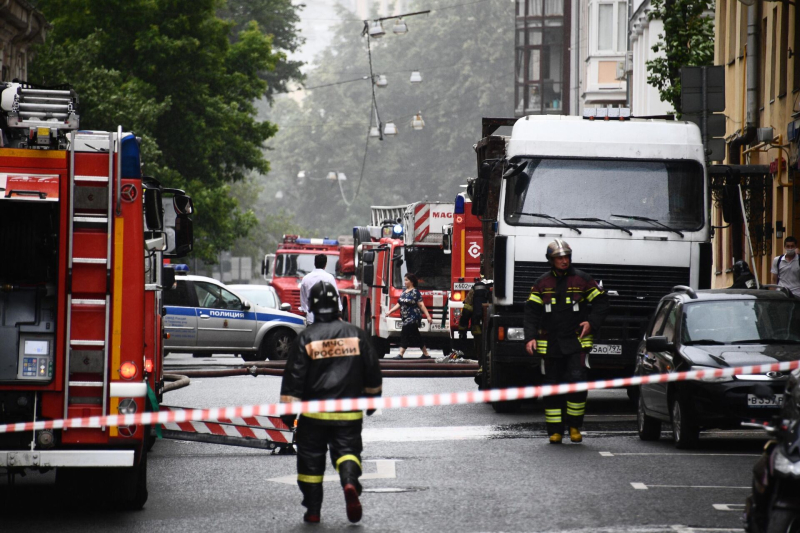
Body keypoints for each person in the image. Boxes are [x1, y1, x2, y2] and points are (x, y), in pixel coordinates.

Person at [280, 280, 383, 524]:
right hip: (348, 414)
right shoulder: (356, 335)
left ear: (313, 306)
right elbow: (372, 371)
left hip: (313, 416)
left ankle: (313, 511)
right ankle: (349, 482)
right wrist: (371, 400)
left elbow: (294, 378)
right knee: (348, 453)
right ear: (337, 304)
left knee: (311, 462)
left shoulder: (306, 338)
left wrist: (288, 413)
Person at [523, 239, 609, 444]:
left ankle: (574, 427)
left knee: (578, 384)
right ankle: (555, 431)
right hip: (550, 344)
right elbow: (531, 313)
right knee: (552, 387)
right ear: (550, 260)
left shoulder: (582, 279)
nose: (564, 260)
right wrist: (530, 337)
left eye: (566, 257)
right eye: (559, 257)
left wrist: (592, 323)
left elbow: (602, 303)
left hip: (576, 343)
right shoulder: (542, 283)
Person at [386, 273, 432, 359]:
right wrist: (390, 311)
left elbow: (421, 305)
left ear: (412, 282)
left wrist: (428, 316)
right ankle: (426, 354)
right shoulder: (404, 292)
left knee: (405, 332)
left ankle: (400, 354)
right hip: (405, 317)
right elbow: (399, 303)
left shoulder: (415, 292)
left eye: (407, 280)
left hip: (413, 317)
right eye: (405, 280)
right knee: (416, 335)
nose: (405, 282)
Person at [300, 253, 341, 324]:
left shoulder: (305, 278)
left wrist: (305, 311)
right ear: (325, 264)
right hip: (327, 320)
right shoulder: (329, 278)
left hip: (311, 319)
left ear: (314, 263)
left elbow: (303, 300)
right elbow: (336, 296)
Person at [458, 277, 492, 361]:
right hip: (495, 327)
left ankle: (481, 366)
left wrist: (462, 330)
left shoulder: (475, 289)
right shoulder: (502, 285)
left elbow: (467, 311)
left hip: (478, 326)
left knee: (480, 348)